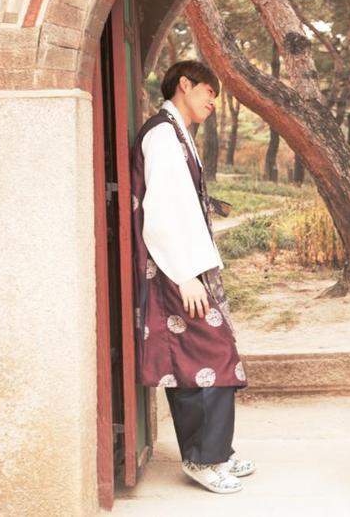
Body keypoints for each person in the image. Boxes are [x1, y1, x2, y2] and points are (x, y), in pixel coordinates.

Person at [130, 60, 255, 494]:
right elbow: (159, 212)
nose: (213, 101)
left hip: (186, 264)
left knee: (202, 355)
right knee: (205, 357)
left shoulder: (176, 132)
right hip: (174, 267)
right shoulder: (163, 135)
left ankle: (214, 449)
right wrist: (184, 275)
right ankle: (203, 459)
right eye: (208, 91)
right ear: (183, 85)